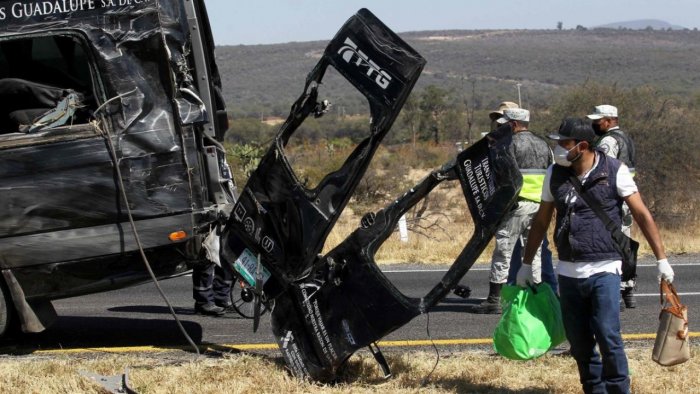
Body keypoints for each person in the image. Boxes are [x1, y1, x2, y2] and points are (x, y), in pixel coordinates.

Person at [517, 118, 674, 393]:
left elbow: (641, 214)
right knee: (579, 342)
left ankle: (618, 388)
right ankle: (593, 388)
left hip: (605, 268)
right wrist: (526, 264)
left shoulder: (614, 171)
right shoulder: (555, 174)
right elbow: (541, 221)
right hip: (568, 272)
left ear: (583, 145)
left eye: (564, 144)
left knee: (607, 334)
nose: (557, 149)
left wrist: (662, 259)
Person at [472, 107, 554, 314]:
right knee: (532, 253)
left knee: (503, 252)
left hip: (516, 206)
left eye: (505, 123)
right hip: (541, 207)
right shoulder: (545, 145)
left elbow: (502, 178)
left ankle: (494, 300)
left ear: (514, 124)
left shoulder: (508, 144)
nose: (501, 127)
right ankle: (531, 298)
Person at [587, 104, 638, 309]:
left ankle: (614, 290)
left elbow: (602, 169)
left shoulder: (608, 141)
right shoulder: (627, 138)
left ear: (608, 121)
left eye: (597, 121)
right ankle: (629, 289)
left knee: (611, 245)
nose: (594, 124)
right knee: (625, 243)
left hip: (613, 201)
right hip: (628, 198)